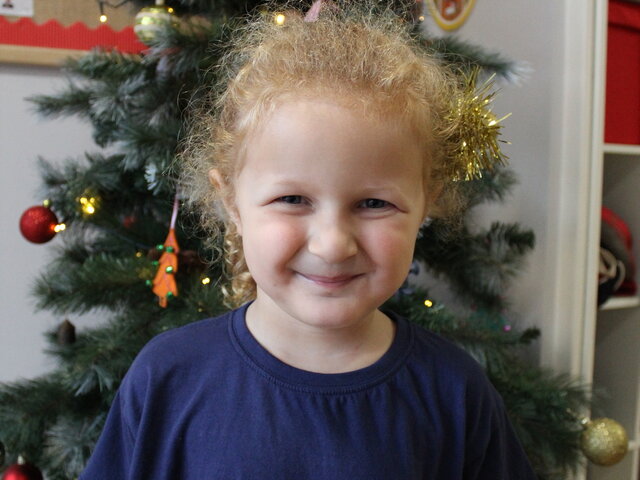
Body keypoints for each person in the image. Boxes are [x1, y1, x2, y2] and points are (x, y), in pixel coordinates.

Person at [81, 1, 537, 478]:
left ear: (427, 203)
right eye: (293, 199)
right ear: (232, 202)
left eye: (374, 203)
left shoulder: (455, 393)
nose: (332, 245)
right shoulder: (167, 379)